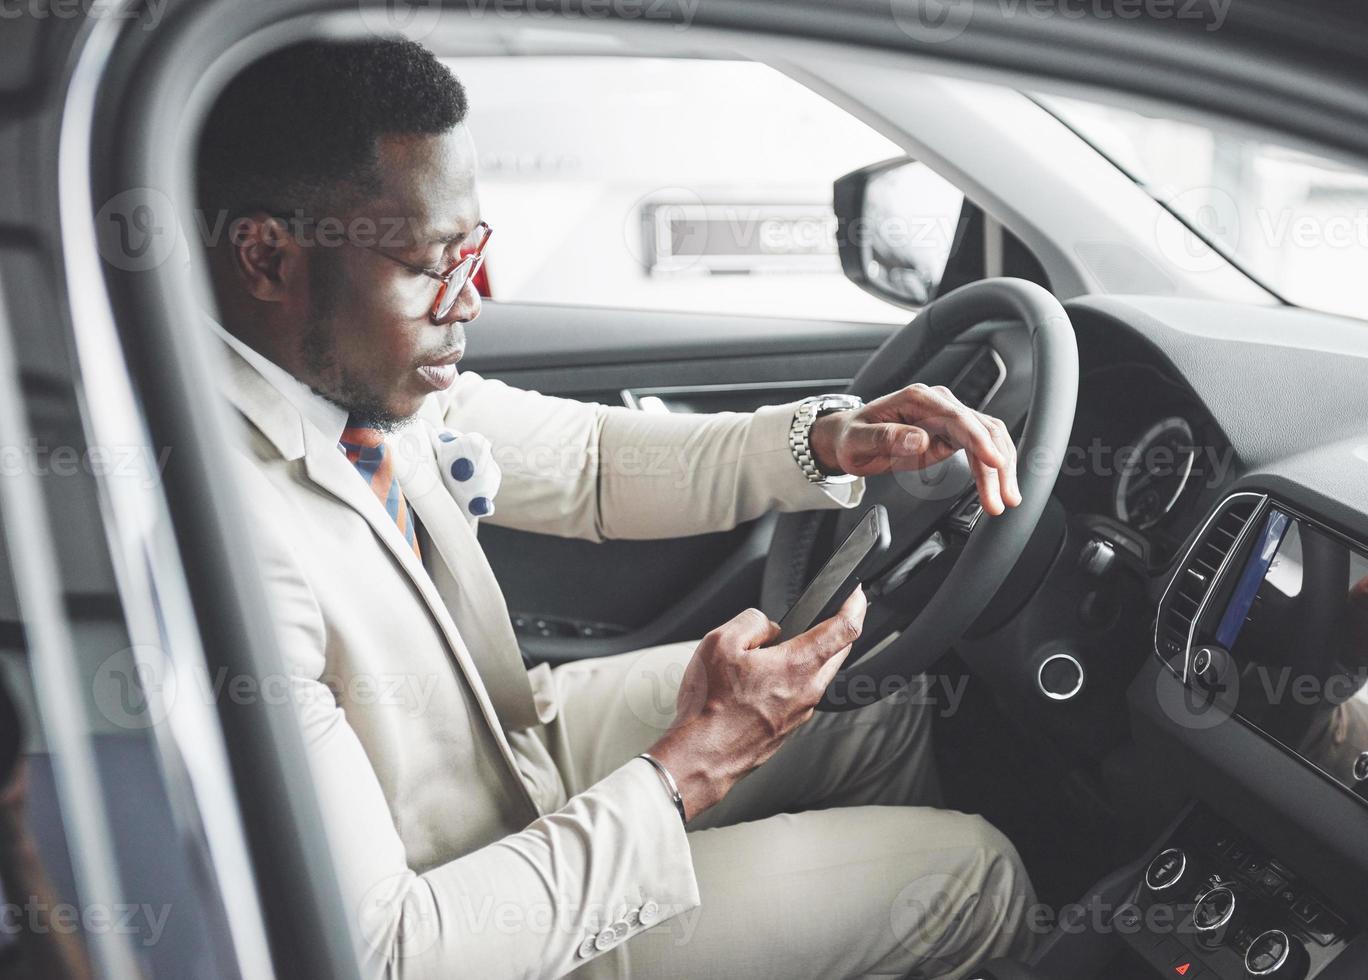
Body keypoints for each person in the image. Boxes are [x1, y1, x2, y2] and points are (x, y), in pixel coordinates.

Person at [194, 38, 1035, 980]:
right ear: (268, 258)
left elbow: (593, 463)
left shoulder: (351, 382)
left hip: (509, 754)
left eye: (474, 248)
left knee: (877, 702)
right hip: (467, 918)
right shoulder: (228, 537)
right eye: (432, 263)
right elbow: (390, 958)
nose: (476, 298)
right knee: (973, 876)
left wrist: (833, 438)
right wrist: (691, 765)